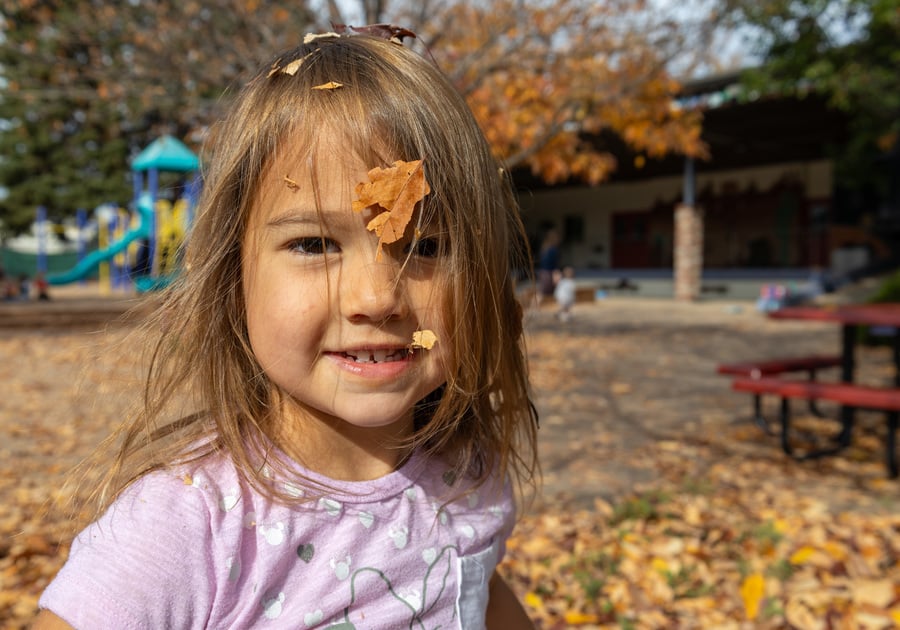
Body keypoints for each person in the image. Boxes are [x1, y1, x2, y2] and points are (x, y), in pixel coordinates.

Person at [35, 28, 538, 630]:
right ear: (233, 276)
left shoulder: (467, 476)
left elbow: (474, 590)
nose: (377, 298)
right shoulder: (187, 525)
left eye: (426, 246)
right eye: (315, 244)